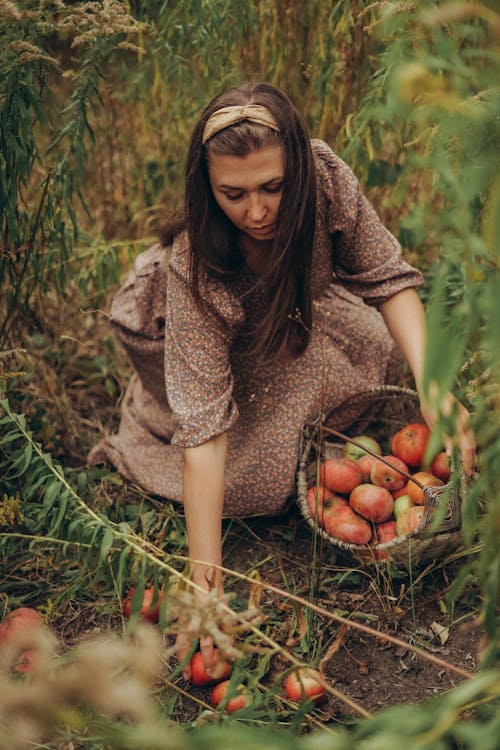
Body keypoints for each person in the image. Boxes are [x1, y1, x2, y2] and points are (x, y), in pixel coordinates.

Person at [89, 82, 475, 676]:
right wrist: (205, 587)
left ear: (298, 161)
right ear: (206, 187)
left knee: (377, 346)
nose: (259, 210)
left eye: (274, 186)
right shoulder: (198, 267)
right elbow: (206, 437)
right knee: (256, 486)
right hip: (206, 345)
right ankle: (149, 424)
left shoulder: (324, 179)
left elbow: (387, 278)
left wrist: (433, 386)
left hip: (296, 306)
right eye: (233, 194)